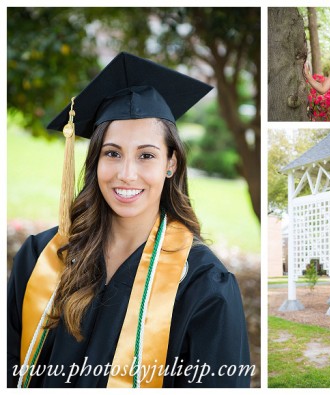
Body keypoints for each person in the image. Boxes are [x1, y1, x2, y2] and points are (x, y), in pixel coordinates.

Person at [7, 52, 251, 388]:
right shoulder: (42, 258)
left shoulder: (202, 286)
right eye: (112, 153)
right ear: (96, 161)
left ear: (172, 164)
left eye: (146, 155)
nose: (126, 173)